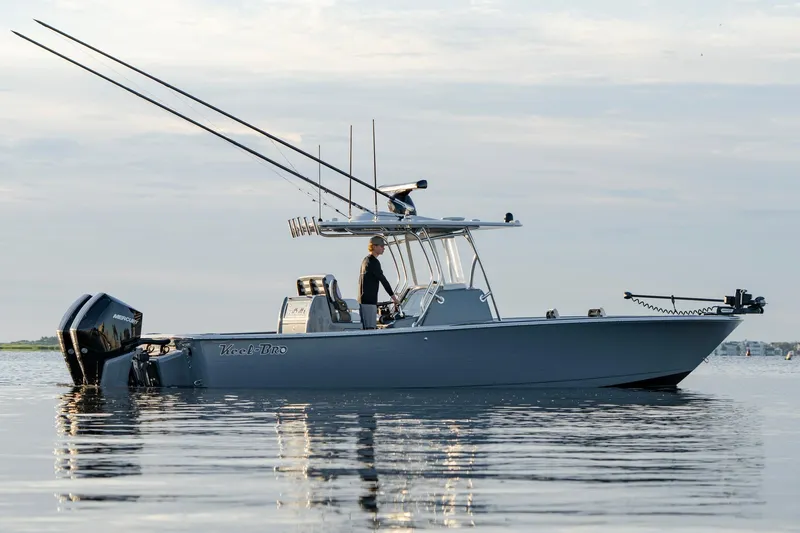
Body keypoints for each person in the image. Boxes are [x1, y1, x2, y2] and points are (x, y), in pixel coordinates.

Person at [357, 235, 400, 329]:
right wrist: (394, 298)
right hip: (369, 302)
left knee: (367, 327)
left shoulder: (366, 260)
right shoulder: (373, 262)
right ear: (374, 246)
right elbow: (383, 280)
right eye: (381, 246)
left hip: (363, 301)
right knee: (369, 328)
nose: (383, 248)